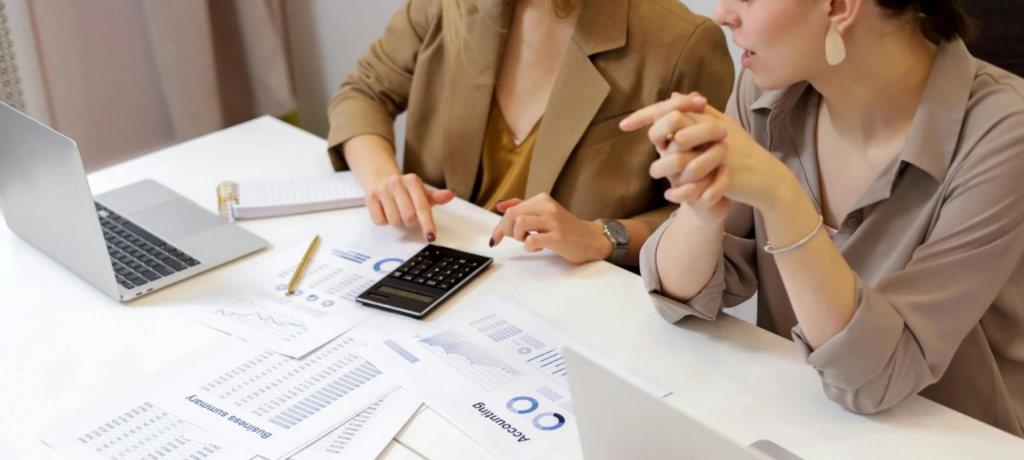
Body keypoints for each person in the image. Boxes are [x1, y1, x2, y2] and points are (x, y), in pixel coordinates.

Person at [621, 0, 1024, 436]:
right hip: (807, 431)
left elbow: (878, 379)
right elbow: (681, 299)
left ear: (839, 6)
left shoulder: (1005, 136)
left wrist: (782, 197)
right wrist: (700, 207)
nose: (721, 13)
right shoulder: (765, 92)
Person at [327, 0, 734, 267]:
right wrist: (384, 182)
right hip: (431, 270)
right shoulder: (448, 6)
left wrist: (602, 236)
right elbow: (363, 93)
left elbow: (713, 213)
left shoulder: (681, 43)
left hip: (576, 313)